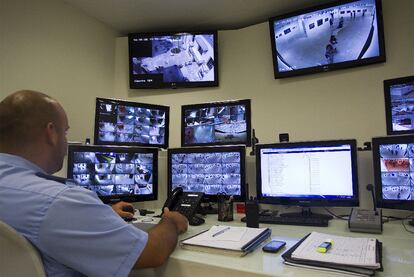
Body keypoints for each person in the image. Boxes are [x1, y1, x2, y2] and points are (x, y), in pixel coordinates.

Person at [0, 90, 188, 276]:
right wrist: (171, 221)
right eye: (65, 133)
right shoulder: (60, 201)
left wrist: (98, 213)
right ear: (51, 133)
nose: (66, 143)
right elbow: (152, 253)